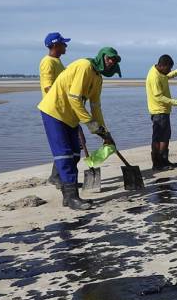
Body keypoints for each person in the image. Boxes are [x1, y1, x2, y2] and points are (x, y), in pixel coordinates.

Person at [40, 47, 121, 210]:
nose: (111, 62)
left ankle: (66, 195)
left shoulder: (98, 78)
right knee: (64, 155)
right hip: (55, 111)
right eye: (109, 58)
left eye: (114, 60)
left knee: (75, 154)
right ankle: (72, 197)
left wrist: (104, 132)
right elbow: (75, 98)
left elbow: (95, 106)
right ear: (102, 57)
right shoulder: (85, 66)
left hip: (71, 116)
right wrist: (92, 125)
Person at [37, 32, 72, 187]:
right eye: (63, 43)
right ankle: (57, 177)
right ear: (55, 45)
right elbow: (48, 86)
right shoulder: (47, 62)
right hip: (54, 110)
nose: (66, 46)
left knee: (67, 145)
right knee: (62, 146)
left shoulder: (58, 62)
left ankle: (56, 175)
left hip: (63, 109)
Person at [145, 54, 177, 170]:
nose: (169, 71)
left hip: (164, 111)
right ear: (162, 66)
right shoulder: (154, 77)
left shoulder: (161, 73)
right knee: (159, 139)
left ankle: (165, 161)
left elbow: (167, 76)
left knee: (166, 137)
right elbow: (159, 97)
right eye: (168, 68)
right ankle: (157, 164)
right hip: (158, 112)